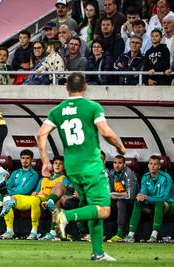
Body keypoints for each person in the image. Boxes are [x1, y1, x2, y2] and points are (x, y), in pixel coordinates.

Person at [37, 72, 126, 261]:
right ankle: (66, 217)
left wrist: (45, 160)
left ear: (66, 87)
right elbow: (105, 132)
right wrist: (119, 146)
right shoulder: (92, 107)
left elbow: (41, 134)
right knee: (104, 209)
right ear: (85, 87)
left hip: (72, 167)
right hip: (91, 165)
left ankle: (98, 252)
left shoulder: (57, 110)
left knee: (94, 207)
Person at [124, 155, 174, 243]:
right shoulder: (145, 177)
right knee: (138, 202)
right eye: (151, 164)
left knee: (159, 203)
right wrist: (141, 196)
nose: (153, 166)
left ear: (159, 166)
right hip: (152, 205)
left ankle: (154, 236)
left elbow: (163, 198)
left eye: (155, 164)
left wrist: (146, 197)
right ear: (148, 165)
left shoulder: (166, 178)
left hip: (168, 206)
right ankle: (130, 235)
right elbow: (143, 194)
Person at [0, 149, 40, 240]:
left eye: (27, 158)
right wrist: (9, 193)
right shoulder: (15, 172)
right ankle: (9, 231)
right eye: (23, 158)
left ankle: (33, 232)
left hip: (25, 199)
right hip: (13, 198)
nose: (25, 160)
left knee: (9, 198)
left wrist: (11, 192)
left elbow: (24, 190)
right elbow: (7, 186)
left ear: (31, 160)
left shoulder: (34, 174)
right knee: (6, 198)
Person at [107, 155, 139, 242]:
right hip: (117, 200)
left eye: (120, 163)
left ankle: (120, 233)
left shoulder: (129, 174)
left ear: (124, 164)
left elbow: (131, 195)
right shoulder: (111, 173)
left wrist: (116, 195)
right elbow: (109, 191)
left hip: (132, 202)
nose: (117, 165)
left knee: (120, 202)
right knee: (103, 202)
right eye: (115, 163)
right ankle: (102, 233)